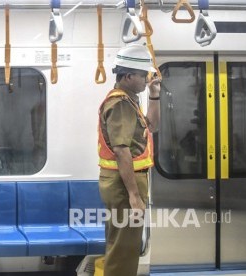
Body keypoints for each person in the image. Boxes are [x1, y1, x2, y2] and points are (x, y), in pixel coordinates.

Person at [98, 44, 161, 276]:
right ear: (128, 76)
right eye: (144, 75)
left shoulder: (131, 100)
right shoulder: (121, 104)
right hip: (125, 186)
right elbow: (122, 151)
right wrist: (134, 197)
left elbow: (152, 126)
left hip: (124, 183)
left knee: (125, 244)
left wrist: (154, 93)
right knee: (124, 248)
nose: (147, 78)